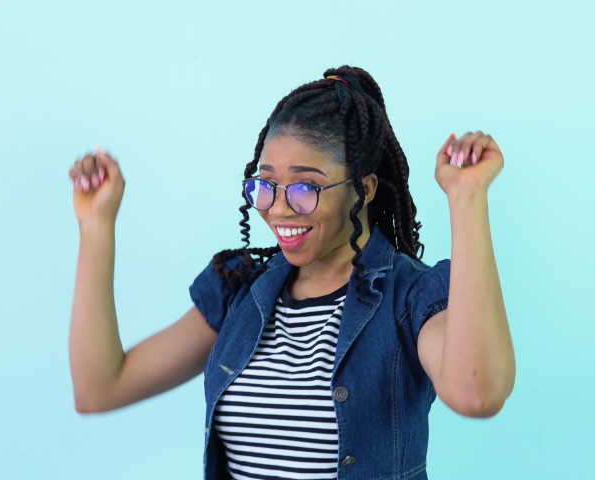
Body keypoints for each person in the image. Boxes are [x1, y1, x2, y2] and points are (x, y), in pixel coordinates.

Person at [68, 66, 516, 480]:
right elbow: (100, 388)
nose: (280, 209)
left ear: (363, 189)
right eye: (266, 185)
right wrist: (96, 226)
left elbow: (477, 394)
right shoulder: (238, 292)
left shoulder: (409, 298)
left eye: (306, 187)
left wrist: (467, 198)